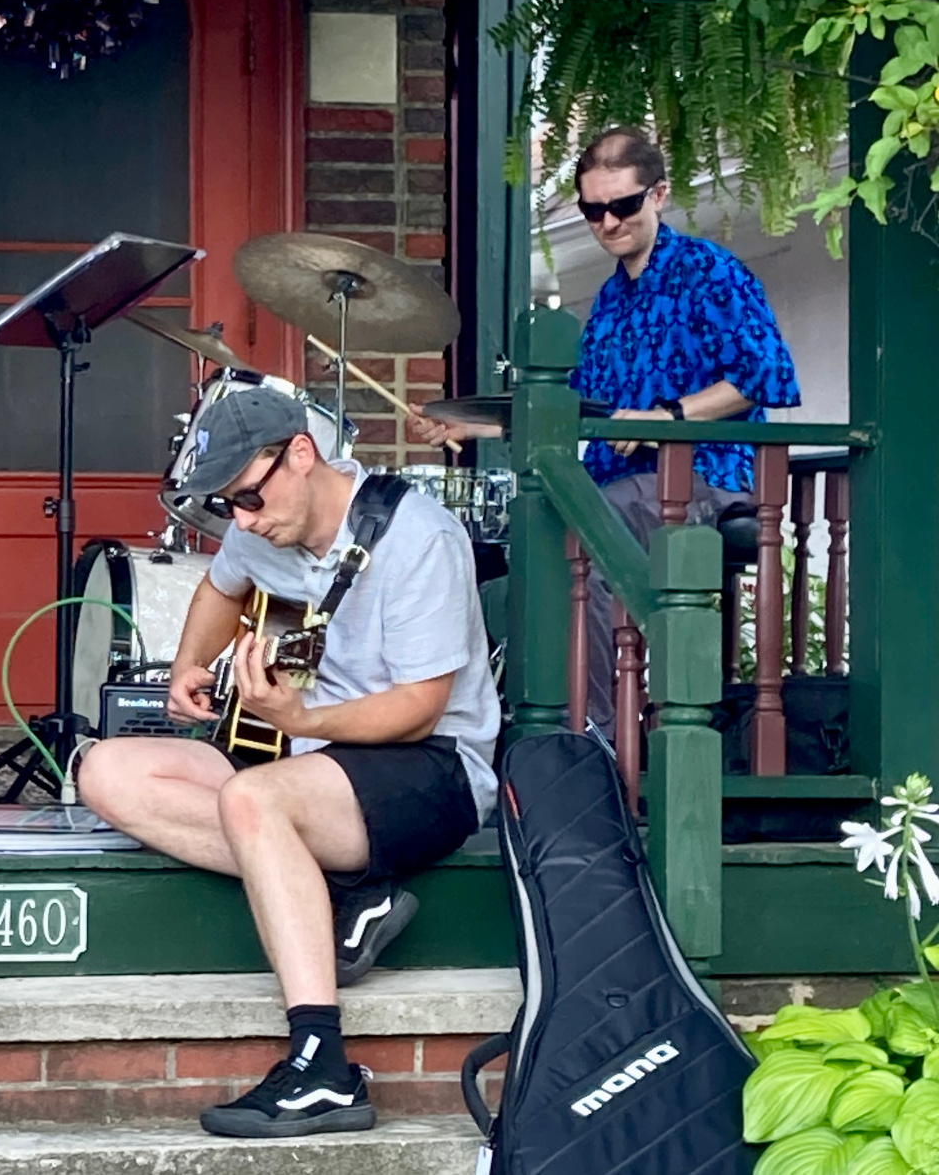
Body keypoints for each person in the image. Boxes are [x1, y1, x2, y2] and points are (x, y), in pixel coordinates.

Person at [80, 387, 498, 1140]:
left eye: (246, 497)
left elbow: (421, 708)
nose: (240, 520)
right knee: (104, 771)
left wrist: (301, 719)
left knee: (254, 802)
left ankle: (323, 1065)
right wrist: (188, 664)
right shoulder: (267, 522)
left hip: (434, 769)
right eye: (227, 505)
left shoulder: (418, 537)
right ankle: (342, 897)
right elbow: (220, 583)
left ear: (300, 455)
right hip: (319, 767)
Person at [410, 126, 799, 734]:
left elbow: (766, 374)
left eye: (622, 205)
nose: (608, 222)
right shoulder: (611, 299)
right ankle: (504, 730)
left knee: (585, 546)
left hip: (704, 477)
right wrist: (473, 427)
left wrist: (664, 418)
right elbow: (579, 410)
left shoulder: (711, 271)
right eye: (593, 210)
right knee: (528, 543)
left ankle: (592, 736)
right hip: (614, 485)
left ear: (660, 194)